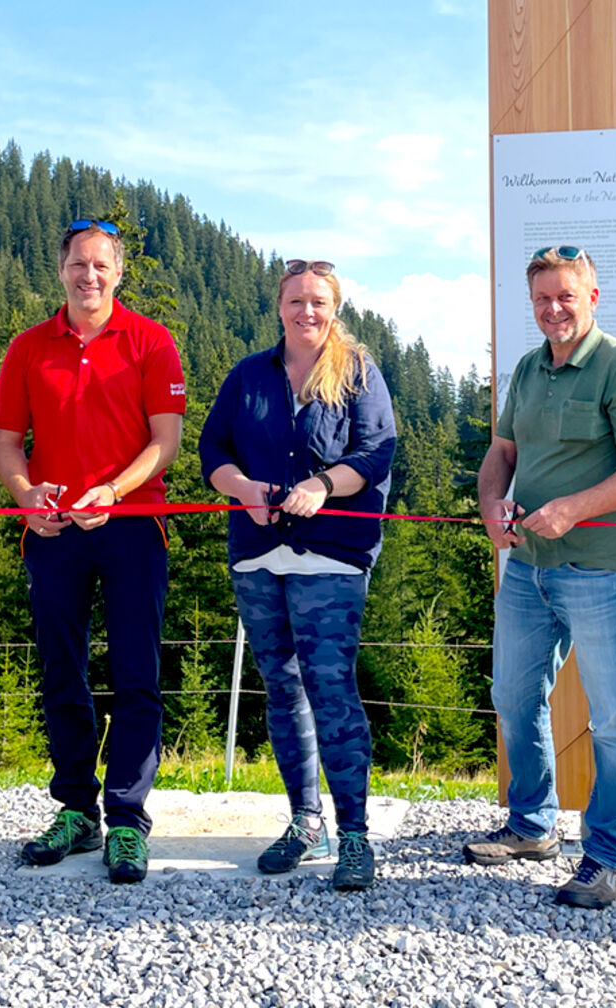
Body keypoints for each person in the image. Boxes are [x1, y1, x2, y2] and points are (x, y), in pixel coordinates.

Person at [463, 246, 616, 909]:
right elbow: (503, 452)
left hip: (601, 570)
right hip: (528, 568)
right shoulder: (527, 368)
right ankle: (532, 826)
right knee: (514, 697)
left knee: (612, 718)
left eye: (566, 297)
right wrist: (491, 505)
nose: (554, 309)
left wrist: (573, 509)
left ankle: (606, 856)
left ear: (592, 298)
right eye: (543, 299)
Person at [0, 219, 187, 884]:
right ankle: (76, 810)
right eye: (79, 264)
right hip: (51, 531)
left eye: (102, 265)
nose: (90, 276)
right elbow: (6, 443)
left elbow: (166, 441)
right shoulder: (28, 348)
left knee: (136, 673)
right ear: (62, 270)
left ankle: (126, 818)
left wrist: (114, 489)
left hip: (133, 524)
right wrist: (24, 494)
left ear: (118, 272)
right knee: (60, 670)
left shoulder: (151, 340)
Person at [200, 258, 397, 892]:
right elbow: (213, 449)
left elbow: (377, 451)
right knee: (281, 689)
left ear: (334, 309)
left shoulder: (359, 372)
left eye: (318, 302)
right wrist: (242, 488)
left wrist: (322, 486)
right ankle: (305, 821)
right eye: (296, 301)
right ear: (279, 306)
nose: (306, 311)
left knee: (331, 687)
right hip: (257, 552)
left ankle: (355, 835)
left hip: (332, 553)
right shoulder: (248, 375)